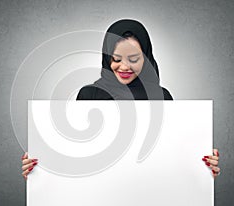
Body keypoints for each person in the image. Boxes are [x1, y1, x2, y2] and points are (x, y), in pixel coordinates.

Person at [21, 19, 220, 179]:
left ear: (147, 58)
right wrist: (40, 169)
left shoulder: (162, 98)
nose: (124, 67)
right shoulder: (89, 95)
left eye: (133, 59)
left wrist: (201, 166)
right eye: (116, 59)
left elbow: (172, 156)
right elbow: (75, 155)